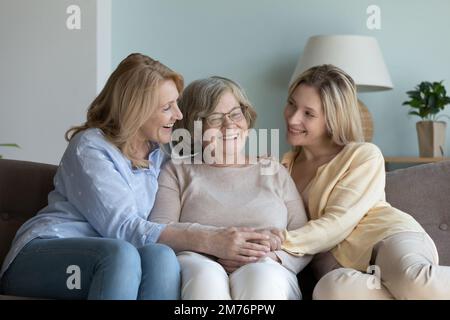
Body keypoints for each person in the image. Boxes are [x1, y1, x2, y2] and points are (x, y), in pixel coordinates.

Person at [0, 54, 274, 300]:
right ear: (136, 109)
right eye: (167, 107)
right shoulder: (90, 146)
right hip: (45, 254)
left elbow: (202, 184)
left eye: (177, 104)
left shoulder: (161, 155)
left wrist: (248, 239)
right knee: (120, 254)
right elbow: (123, 229)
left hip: (119, 257)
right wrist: (210, 239)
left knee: (162, 255)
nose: (178, 115)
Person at [280, 64, 450, 299]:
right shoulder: (283, 168)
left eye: (308, 113)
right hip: (340, 268)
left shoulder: (362, 155)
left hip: (387, 237)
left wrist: (278, 243)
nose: (293, 117)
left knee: (413, 280)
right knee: (330, 292)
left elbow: (338, 222)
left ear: (332, 118)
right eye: (291, 103)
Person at [150, 76, 312, 300]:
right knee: (205, 279)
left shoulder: (273, 170)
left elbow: (305, 237)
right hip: (199, 262)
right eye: (215, 119)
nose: (230, 125)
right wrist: (214, 244)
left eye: (236, 114)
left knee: (262, 279)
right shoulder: (177, 171)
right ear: (194, 127)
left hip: (267, 263)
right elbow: (158, 230)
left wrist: (276, 256)